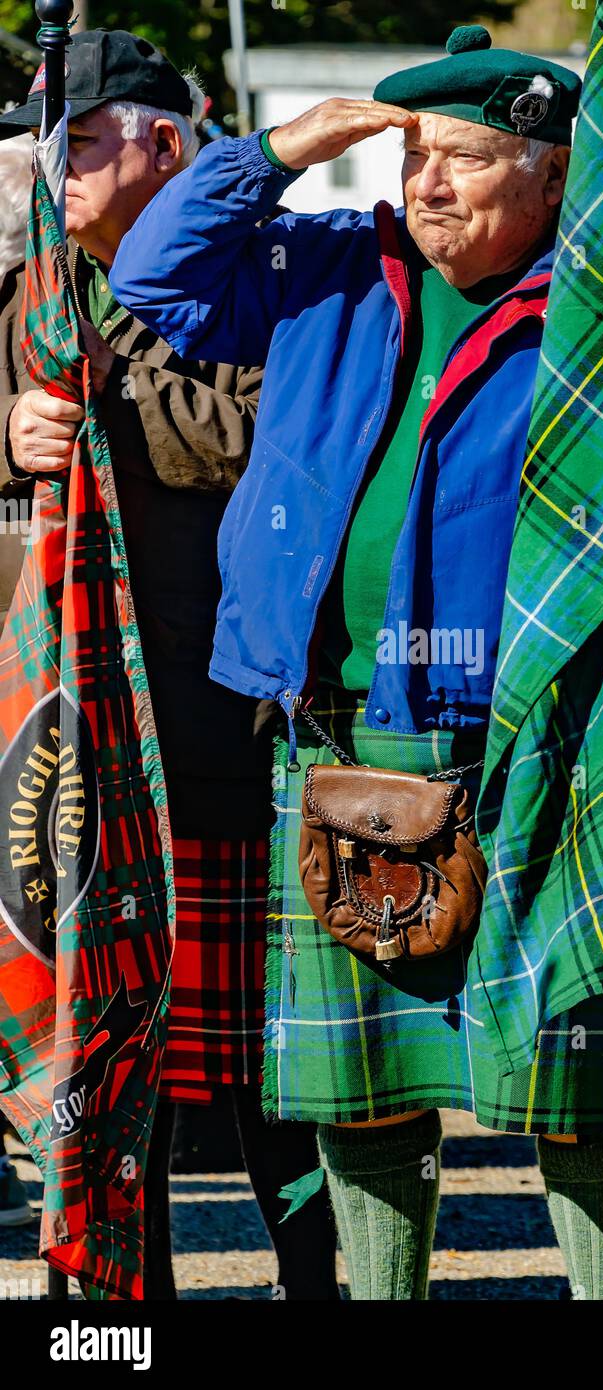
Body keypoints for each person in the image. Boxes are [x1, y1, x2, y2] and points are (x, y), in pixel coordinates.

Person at [109, 24, 603, 1301]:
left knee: (576, 1097)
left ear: (556, 173)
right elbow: (152, 272)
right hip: (343, 736)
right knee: (359, 1106)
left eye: (463, 156)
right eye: (413, 153)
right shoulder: (329, 266)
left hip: (543, 744)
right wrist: (291, 148)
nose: (429, 182)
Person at [0, 29, 337, 1299]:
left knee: (270, 1074)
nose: (58, 169)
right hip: (76, 753)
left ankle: (321, 1284)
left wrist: (95, 408)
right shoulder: (36, 290)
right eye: (48, 145)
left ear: (169, 148)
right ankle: (110, 1315)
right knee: (89, 1051)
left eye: (82, 143)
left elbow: (239, 433)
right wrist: (11, 421)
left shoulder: (271, 276)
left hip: (227, 738)